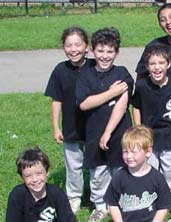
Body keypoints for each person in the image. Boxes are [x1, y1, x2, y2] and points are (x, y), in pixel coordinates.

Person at [75, 27, 134, 222]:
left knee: (120, 169)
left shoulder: (122, 73)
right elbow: (84, 103)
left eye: (110, 51)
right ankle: (100, 205)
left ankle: (121, 202)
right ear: (92, 50)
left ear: (117, 52)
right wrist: (111, 92)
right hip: (93, 132)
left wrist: (108, 133)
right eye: (100, 51)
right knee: (98, 172)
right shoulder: (85, 75)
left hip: (119, 134)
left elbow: (122, 104)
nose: (105, 56)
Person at [44, 26, 96, 214]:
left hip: (93, 129)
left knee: (97, 167)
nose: (73, 49)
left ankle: (99, 200)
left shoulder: (95, 66)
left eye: (77, 45)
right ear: (63, 47)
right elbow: (56, 100)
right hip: (71, 128)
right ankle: (73, 197)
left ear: (87, 46)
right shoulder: (60, 70)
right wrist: (56, 127)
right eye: (68, 45)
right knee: (73, 167)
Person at [132, 44, 171, 199]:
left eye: (161, 63)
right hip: (149, 137)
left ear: (168, 65)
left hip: (169, 135)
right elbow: (136, 107)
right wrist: (138, 130)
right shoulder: (142, 86)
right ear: (147, 66)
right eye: (152, 64)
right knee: (151, 168)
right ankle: (152, 196)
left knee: (170, 170)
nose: (157, 68)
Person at [104, 125, 171, 222]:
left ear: (148, 152)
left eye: (133, 152)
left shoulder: (157, 178)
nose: (129, 156)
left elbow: (163, 206)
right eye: (125, 151)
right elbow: (112, 204)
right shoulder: (119, 177)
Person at [6, 147, 76, 222]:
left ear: (47, 172)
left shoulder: (56, 193)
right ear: (22, 177)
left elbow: (68, 219)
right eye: (28, 176)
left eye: (39, 173)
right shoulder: (17, 195)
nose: (35, 180)